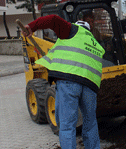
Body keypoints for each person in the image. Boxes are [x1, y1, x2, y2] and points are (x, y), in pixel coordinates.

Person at [22, 14, 104, 149]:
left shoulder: (72, 30)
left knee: (67, 126)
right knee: (90, 124)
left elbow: (53, 19)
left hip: (69, 83)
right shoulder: (96, 45)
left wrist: (32, 26)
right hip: (90, 86)